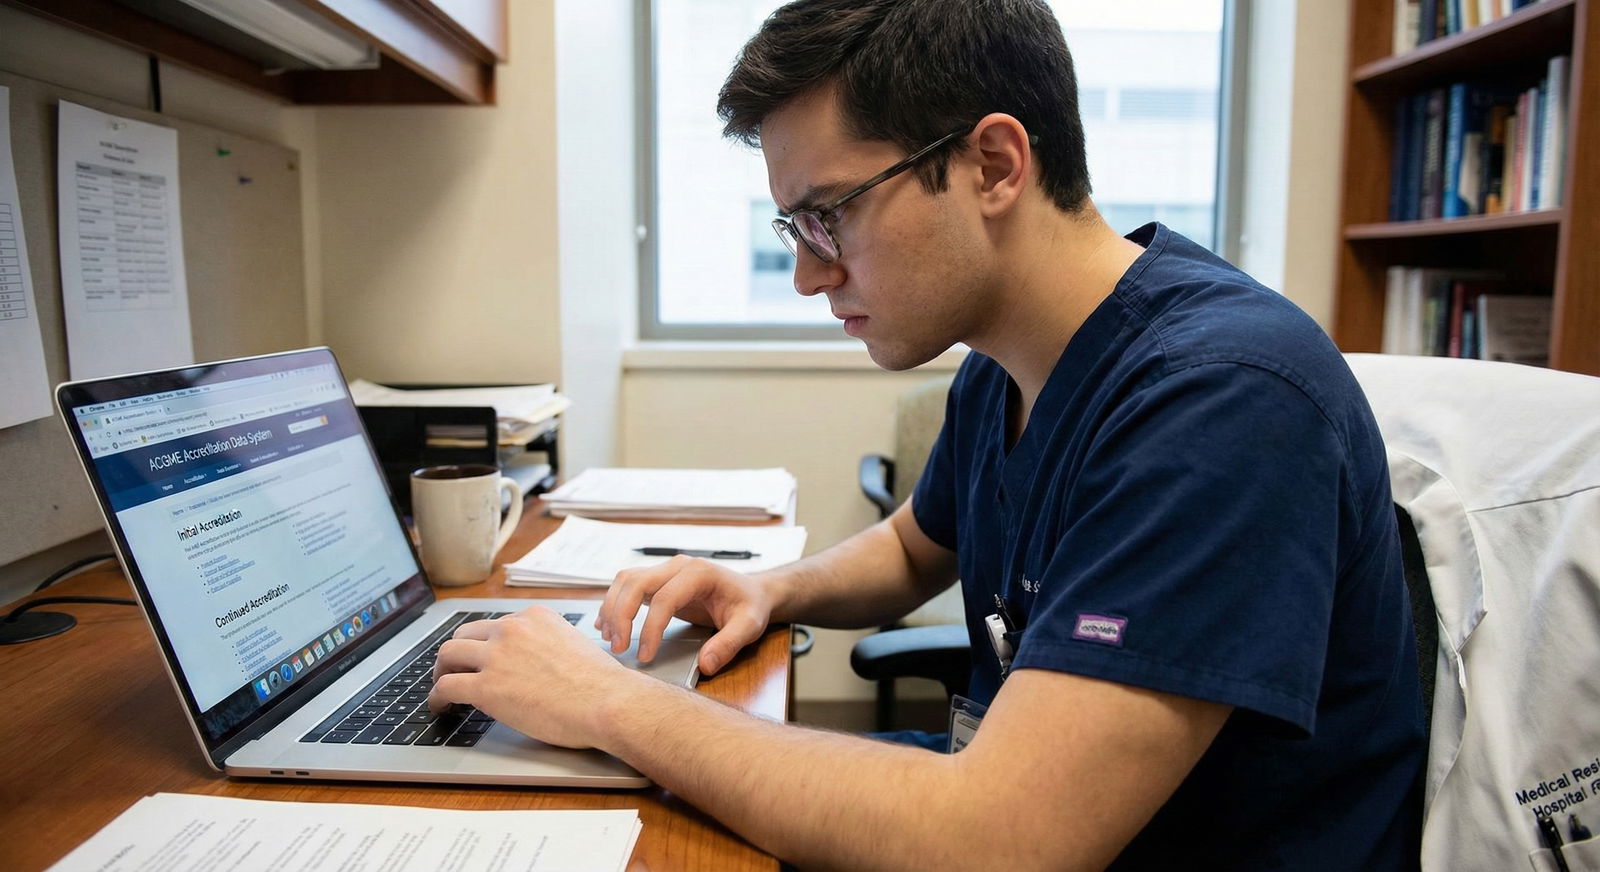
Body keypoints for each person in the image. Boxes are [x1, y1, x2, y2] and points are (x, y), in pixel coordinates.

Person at [428, 1, 1426, 868]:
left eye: (829, 215)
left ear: (992, 163)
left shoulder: (1222, 401)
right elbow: (917, 542)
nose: (810, 276)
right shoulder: (1009, 356)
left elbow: (1000, 841)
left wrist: (610, 702)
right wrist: (771, 586)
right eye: (793, 230)